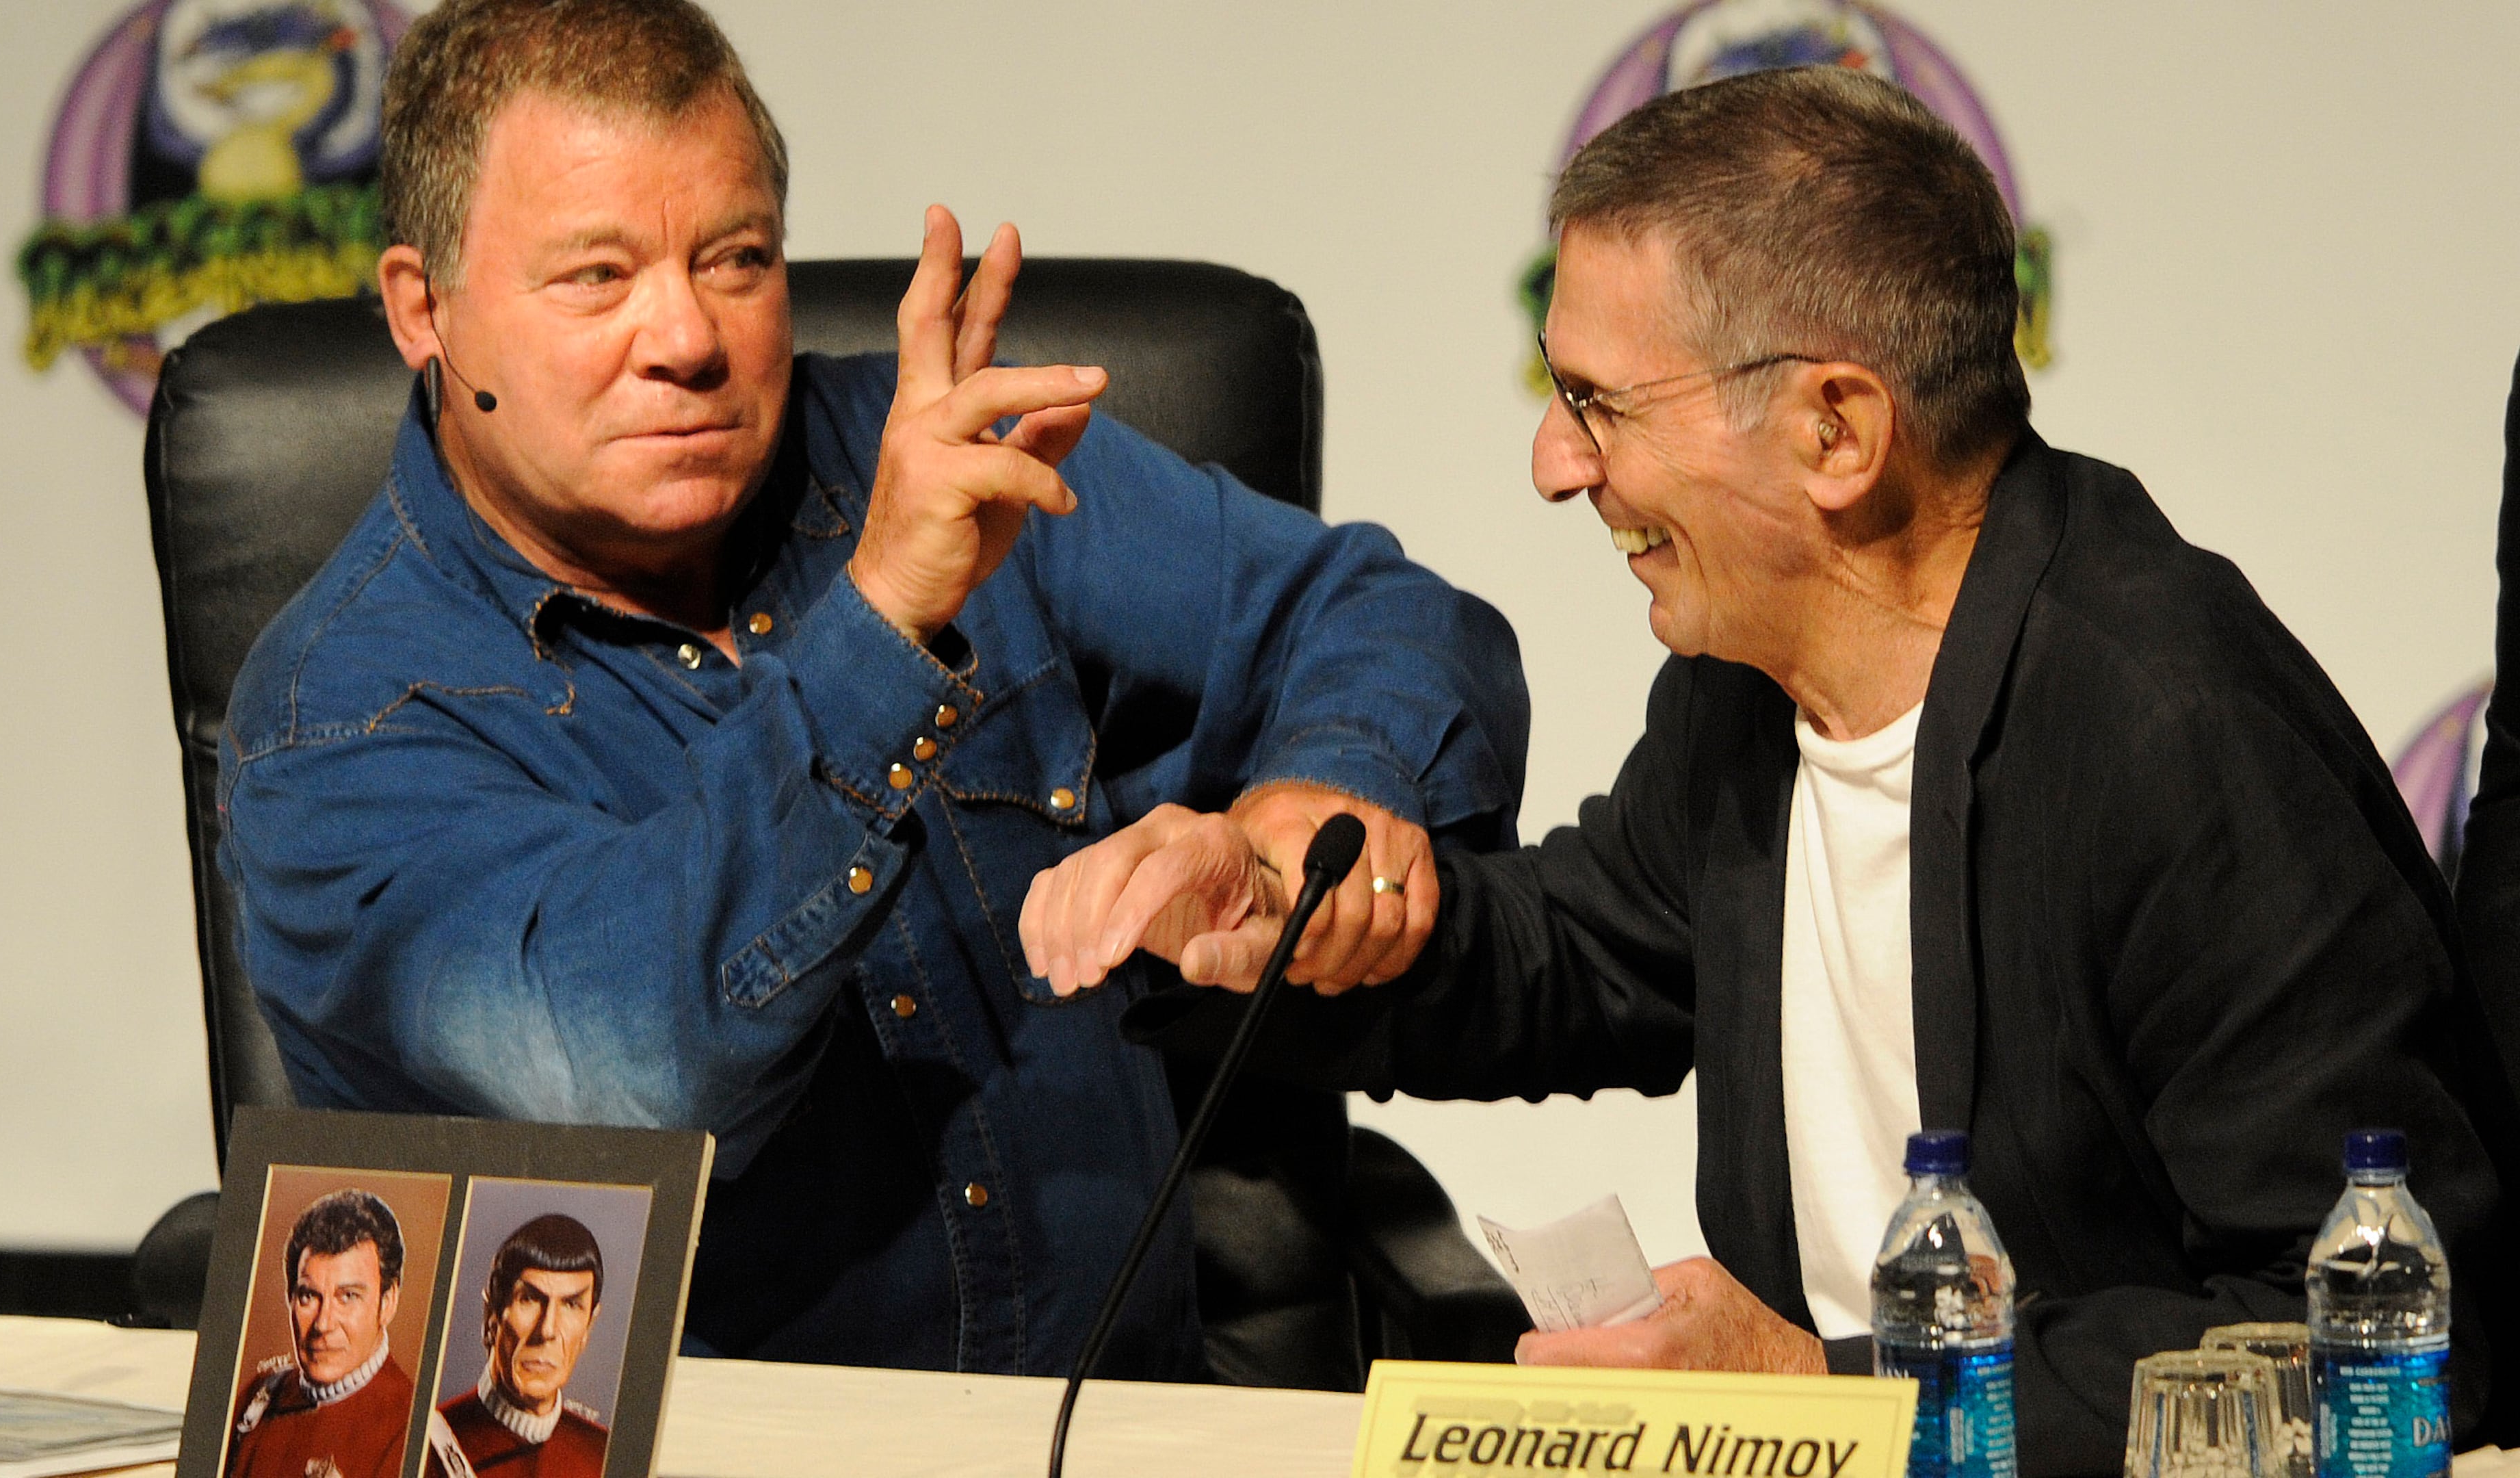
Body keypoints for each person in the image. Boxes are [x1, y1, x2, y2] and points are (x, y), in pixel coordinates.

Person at [1021, 65, 2519, 1469]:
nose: (1553, 463)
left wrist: (1835, 1400)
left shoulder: (2174, 734)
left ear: (1836, 430)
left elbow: (2389, 1341)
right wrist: (1267, 927)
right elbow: (1578, 954)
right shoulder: (1745, 694)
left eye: (1600, 402)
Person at [218, 0, 1526, 1380]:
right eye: (596, 277)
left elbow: (1381, 615)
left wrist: (1328, 787)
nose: (687, 339)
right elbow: (632, 1085)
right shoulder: (340, 720)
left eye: (734, 259)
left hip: (1119, 1428)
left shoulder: (921, 454)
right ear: (425, 309)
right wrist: (886, 616)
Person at [226, 1190, 416, 1478]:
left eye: (348, 1296)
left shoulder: (412, 1429)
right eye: (308, 1297)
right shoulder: (257, 1401)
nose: (323, 1324)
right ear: (290, 1297)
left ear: (387, 1303)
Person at [426, 1216, 610, 1478]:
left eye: (571, 1305)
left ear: (588, 1327)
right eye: (530, 1299)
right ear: (491, 1314)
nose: (547, 1330)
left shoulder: (603, 1453)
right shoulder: (426, 1446)